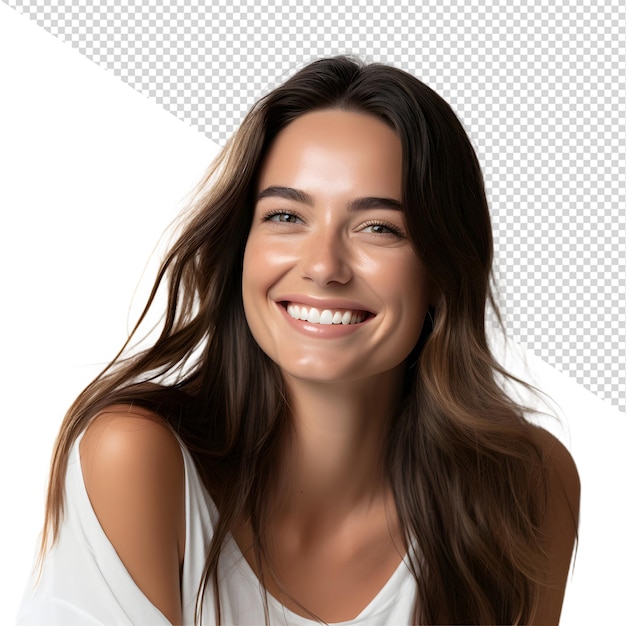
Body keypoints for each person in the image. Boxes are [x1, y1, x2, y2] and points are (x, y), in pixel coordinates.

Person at [17, 56, 579, 625]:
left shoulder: (525, 487)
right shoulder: (137, 459)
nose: (323, 265)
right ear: (242, 246)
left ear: (441, 272)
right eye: (286, 216)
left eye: (378, 227)